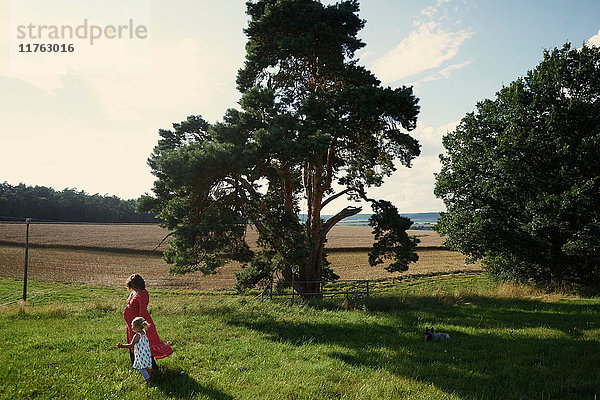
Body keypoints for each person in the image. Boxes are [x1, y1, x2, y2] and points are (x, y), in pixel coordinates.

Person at [123, 274, 173, 371]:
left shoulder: (143, 293)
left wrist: (139, 326)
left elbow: (143, 311)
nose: (132, 287)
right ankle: (135, 365)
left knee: (145, 344)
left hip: (138, 324)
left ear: (138, 284)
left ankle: (153, 367)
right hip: (131, 324)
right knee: (132, 342)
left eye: (134, 285)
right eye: (131, 285)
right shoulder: (134, 291)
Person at [117, 317, 153, 384]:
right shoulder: (143, 332)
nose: (132, 327)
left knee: (141, 368)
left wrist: (122, 346)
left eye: (133, 326)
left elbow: (131, 345)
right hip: (146, 353)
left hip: (141, 354)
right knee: (144, 364)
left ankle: (147, 380)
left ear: (138, 327)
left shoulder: (137, 335)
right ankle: (149, 371)